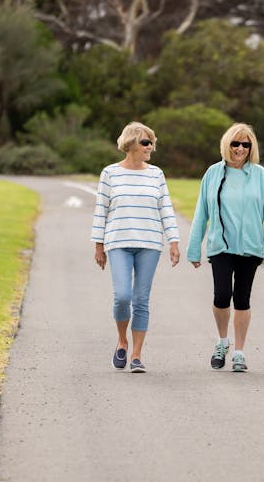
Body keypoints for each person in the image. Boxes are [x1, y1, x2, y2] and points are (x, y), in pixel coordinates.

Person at [187, 123, 264, 372]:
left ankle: (239, 352)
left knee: (242, 298)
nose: (240, 148)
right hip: (220, 246)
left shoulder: (260, 175)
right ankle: (222, 341)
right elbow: (201, 214)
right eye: (236, 143)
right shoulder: (213, 173)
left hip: (250, 248)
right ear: (227, 145)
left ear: (252, 148)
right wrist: (194, 248)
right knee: (221, 296)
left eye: (246, 144)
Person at [92, 121, 180, 374]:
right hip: (118, 242)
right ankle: (122, 341)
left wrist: (173, 241)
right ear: (130, 144)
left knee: (141, 299)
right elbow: (101, 211)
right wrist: (99, 245)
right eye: (145, 142)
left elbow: (166, 209)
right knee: (122, 297)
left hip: (150, 244)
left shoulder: (156, 174)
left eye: (152, 142)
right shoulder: (110, 173)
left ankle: (137, 355)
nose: (150, 146)